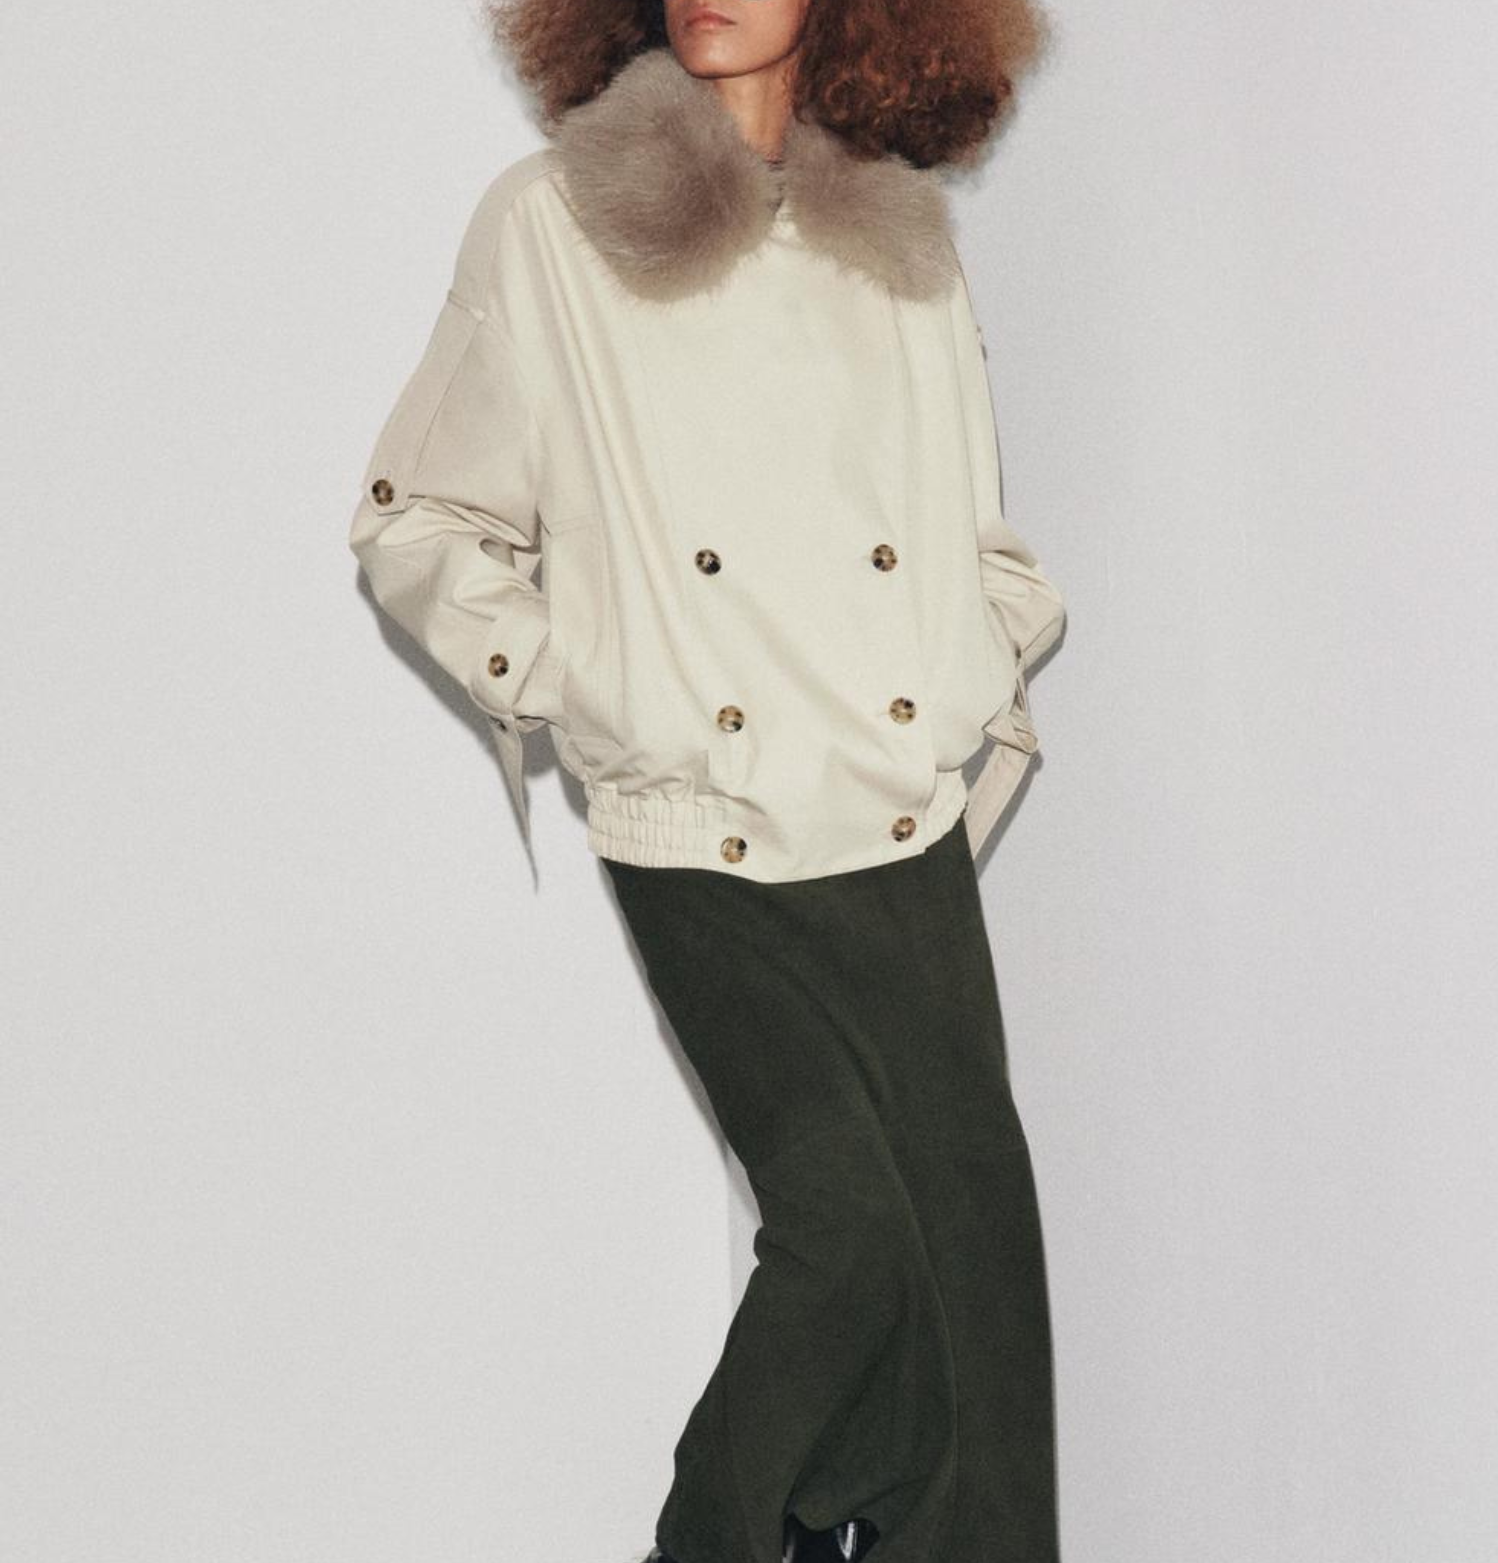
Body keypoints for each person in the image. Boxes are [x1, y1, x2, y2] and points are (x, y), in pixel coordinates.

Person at [348, 2, 1068, 1562]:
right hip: (704, 825)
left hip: (895, 813)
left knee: (972, 1290)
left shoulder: (900, 235)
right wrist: (600, 682)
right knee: (850, 1235)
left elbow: (971, 528)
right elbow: (417, 522)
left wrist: (975, 648)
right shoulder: (551, 225)